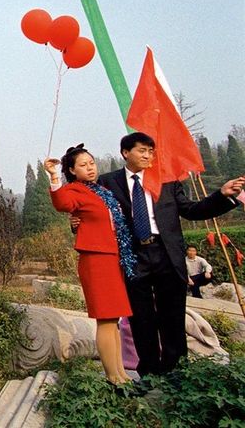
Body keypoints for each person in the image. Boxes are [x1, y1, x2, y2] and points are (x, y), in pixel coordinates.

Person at [97, 132, 244, 376]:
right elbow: (94, 213)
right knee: (141, 319)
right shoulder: (108, 182)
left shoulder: (165, 180)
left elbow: (192, 209)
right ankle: (150, 374)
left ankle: (177, 373)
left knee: (172, 317)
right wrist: (76, 220)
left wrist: (222, 196)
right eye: (142, 150)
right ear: (126, 153)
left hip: (167, 254)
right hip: (134, 256)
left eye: (151, 151)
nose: (148, 156)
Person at [45, 145, 134, 384]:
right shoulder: (75, 190)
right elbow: (62, 203)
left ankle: (122, 373)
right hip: (96, 259)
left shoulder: (101, 191)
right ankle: (113, 377)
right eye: (83, 165)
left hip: (113, 257)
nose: (90, 168)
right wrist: (54, 176)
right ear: (72, 171)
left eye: (92, 163)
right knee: (105, 318)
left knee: (114, 319)